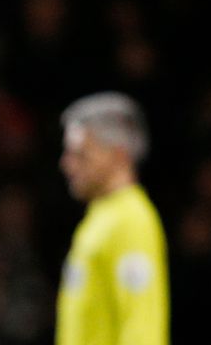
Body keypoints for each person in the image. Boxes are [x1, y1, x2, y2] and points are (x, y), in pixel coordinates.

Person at [56, 91, 169, 345]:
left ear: (119, 156)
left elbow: (142, 327)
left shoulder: (132, 220)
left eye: (81, 154)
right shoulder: (99, 216)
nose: (67, 164)